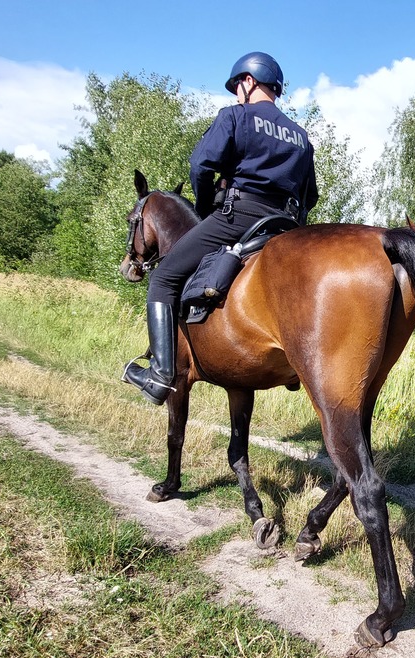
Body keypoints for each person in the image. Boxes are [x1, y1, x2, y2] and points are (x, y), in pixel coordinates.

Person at [123, 51, 320, 405]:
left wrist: (203, 209)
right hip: (282, 226)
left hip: (238, 216)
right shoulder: (301, 136)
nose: (235, 94)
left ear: (248, 81)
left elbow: (200, 165)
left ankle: (160, 376)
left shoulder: (235, 116)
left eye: (236, 86)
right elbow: (312, 196)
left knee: (163, 278)